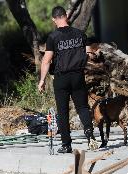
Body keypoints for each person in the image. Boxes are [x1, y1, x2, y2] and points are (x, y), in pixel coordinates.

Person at [38, 6, 96, 153]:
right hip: (78, 75)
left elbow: (46, 61)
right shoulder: (80, 34)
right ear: (66, 16)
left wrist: (42, 80)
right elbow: (90, 54)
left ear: (54, 19)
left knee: (63, 112)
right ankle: (89, 133)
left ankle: (66, 145)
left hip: (61, 78)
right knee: (82, 107)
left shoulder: (53, 37)